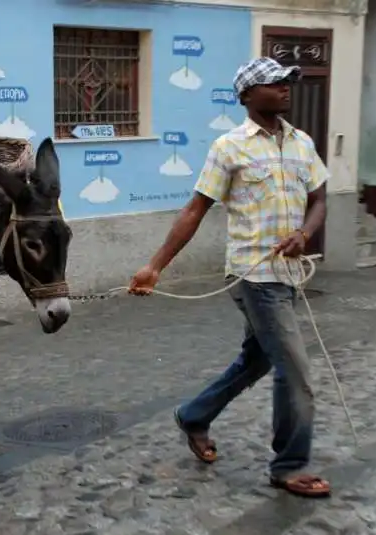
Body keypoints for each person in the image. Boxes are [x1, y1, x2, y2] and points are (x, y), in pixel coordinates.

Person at [129, 57, 331, 498]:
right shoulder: (229, 147)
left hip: (290, 272)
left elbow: (319, 199)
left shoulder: (302, 143)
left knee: (259, 359)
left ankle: (195, 415)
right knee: (295, 372)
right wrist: (155, 266)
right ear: (246, 96)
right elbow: (194, 210)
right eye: (274, 83)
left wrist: (305, 233)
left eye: (287, 82)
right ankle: (289, 465)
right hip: (254, 276)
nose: (284, 88)